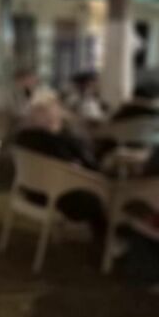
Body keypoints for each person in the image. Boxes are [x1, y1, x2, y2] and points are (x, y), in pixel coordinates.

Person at [14, 94, 107, 238]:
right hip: (59, 196)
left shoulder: (21, 139)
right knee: (101, 196)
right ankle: (106, 240)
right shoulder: (56, 142)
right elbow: (82, 167)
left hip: (31, 192)